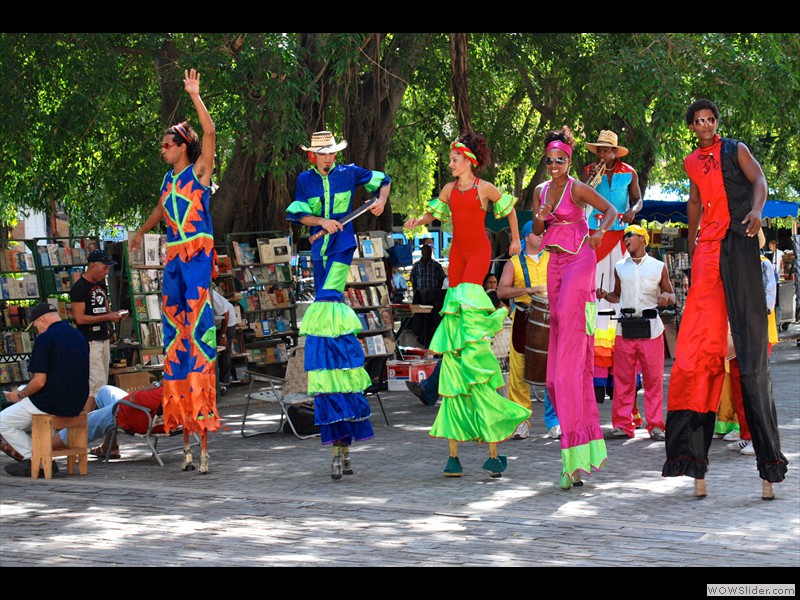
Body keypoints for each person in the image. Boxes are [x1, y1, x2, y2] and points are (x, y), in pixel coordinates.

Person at [662, 99, 787, 500]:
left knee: (751, 360)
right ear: (692, 126)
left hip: (741, 242)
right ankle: (692, 461)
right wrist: (696, 241)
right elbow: (695, 202)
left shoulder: (736, 149)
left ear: (717, 122)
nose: (704, 125)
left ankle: (768, 466)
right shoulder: (690, 162)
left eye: (709, 119)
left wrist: (756, 211)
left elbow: (760, 181)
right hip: (710, 251)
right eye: (697, 121)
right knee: (695, 355)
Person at [404, 131, 528, 478]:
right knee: (454, 308)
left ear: (469, 161)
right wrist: (417, 221)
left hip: (478, 251)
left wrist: (516, 240)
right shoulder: (448, 189)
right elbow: (434, 216)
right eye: (450, 159)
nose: (450, 163)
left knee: (467, 301)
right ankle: (455, 363)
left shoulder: (484, 188)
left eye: (455, 158)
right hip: (456, 252)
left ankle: (468, 355)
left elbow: (511, 212)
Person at [286, 129, 391, 480]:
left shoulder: (350, 172)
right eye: (322, 154)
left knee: (330, 301)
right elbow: (300, 216)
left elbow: (383, 180)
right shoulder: (304, 180)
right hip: (319, 250)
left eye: (331, 153)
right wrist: (321, 221)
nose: (328, 158)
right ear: (312, 156)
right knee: (325, 313)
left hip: (342, 250)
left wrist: (380, 200)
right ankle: (338, 442)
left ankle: (341, 441)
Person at [129, 68, 218, 474]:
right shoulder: (168, 180)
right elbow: (161, 210)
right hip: (174, 260)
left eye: (167, 144)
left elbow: (211, 135)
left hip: (197, 258)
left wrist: (195, 96)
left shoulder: (198, 172)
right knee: (174, 339)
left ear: (182, 146)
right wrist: (140, 231)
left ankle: (201, 430)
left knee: (198, 335)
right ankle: (180, 425)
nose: (162, 149)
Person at [532, 126, 618, 490]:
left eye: (560, 160)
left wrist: (599, 233)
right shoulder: (539, 190)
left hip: (581, 261)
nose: (554, 165)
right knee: (554, 378)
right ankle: (577, 456)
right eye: (550, 160)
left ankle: (573, 463)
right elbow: (537, 228)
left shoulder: (578, 188)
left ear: (569, 161)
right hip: (553, 263)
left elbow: (611, 210)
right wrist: (544, 211)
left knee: (567, 371)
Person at [580, 130, 644, 405]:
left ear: (616, 152)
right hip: (596, 237)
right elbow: (579, 199)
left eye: (608, 150)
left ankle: (621, 377)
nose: (604, 154)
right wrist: (589, 178)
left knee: (622, 298)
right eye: (600, 150)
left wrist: (633, 211)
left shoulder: (629, 172)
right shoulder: (588, 171)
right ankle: (594, 377)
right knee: (595, 300)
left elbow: (639, 200)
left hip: (619, 238)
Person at [596, 224, 675, 441]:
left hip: (651, 329)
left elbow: (671, 293)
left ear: (642, 238)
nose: (625, 239)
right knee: (623, 380)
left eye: (629, 235)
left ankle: (656, 425)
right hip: (625, 328)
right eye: (624, 237)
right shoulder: (620, 267)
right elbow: (617, 295)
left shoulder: (658, 266)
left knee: (653, 380)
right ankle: (622, 425)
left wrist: (666, 298)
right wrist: (604, 295)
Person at [0, 302, 89, 477]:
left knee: (3, 421)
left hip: (51, 401)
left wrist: (19, 395)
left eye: (36, 327)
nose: (37, 331)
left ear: (42, 320)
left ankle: (35, 457)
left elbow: (39, 382)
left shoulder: (45, 339)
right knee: (26, 394)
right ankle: (39, 457)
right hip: (77, 400)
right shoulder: (78, 335)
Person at [496, 220, 561, 440]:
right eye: (537, 233)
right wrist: (530, 289)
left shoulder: (553, 258)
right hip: (523, 319)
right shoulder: (513, 263)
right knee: (519, 373)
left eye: (543, 232)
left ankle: (554, 422)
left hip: (551, 320)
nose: (542, 236)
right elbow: (501, 292)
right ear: (526, 237)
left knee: (551, 372)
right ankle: (521, 421)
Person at [70, 249, 125, 413]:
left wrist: (113, 315)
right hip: (89, 339)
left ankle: (93, 421)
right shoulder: (79, 288)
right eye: (104, 268)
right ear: (93, 265)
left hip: (103, 337)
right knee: (98, 385)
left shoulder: (101, 284)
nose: (106, 271)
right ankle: (88, 421)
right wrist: (107, 317)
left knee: (102, 383)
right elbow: (80, 318)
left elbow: (105, 309)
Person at [54, 383, 167, 461]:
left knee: (88, 421)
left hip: (131, 414)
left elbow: (135, 397)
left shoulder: (166, 390)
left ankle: (45, 445)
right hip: (145, 413)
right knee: (104, 391)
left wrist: (155, 385)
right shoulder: (177, 385)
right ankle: (110, 446)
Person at [409, 244, 447, 346]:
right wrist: (415, 292)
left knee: (432, 320)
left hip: (433, 297)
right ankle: (422, 338)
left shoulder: (436, 265)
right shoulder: (416, 266)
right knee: (421, 319)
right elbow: (413, 280)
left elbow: (442, 279)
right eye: (426, 253)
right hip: (421, 296)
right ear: (422, 253)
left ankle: (431, 339)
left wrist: (436, 290)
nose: (428, 255)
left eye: (430, 253)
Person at [211, 285, 238, 390]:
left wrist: (223, 335)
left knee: (224, 352)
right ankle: (216, 382)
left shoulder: (211, 295)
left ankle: (223, 383)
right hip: (215, 324)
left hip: (227, 323)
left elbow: (225, 313)